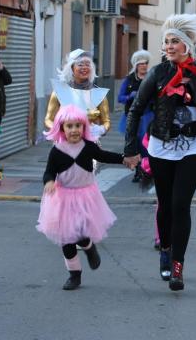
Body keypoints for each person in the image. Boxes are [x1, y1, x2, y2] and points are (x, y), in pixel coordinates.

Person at [123, 14, 196, 291]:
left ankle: (177, 266)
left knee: (181, 205)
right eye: (167, 42)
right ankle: (165, 247)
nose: (169, 46)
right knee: (165, 205)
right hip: (162, 146)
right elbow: (136, 110)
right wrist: (130, 149)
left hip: (194, 146)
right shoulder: (158, 73)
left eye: (175, 42)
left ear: (187, 45)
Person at [37, 104, 129, 290]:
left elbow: (104, 156)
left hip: (86, 195)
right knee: (66, 238)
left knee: (79, 232)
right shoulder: (57, 150)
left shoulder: (88, 147)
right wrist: (48, 182)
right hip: (63, 197)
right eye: (69, 126)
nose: (74, 130)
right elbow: (49, 172)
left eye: (78, 126)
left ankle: (89, 247)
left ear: (84, 127)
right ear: (62, 128)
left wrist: (123, 158)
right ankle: (74, 274)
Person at [44, 49, 111, 140]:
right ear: (71, 68)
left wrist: (101, 129)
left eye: (88, 64)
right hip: (64, 144)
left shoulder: (99, 94)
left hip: (89, 144)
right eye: (80, 65)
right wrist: (61, 130)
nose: (84, 67)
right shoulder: (59, 92)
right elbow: (48, 119)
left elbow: (106, 121)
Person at [118, 50, 154, 182]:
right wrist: (130, 96)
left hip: (148, 116)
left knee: (147, 145)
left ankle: (146, 170)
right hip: (132, 117)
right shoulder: (129, 80)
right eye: (140, 64)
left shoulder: (152, 78)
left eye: (145, 63)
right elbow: (120, 98)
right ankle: (138, 170)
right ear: (136, 65)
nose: (143, 66)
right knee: (135, 145)